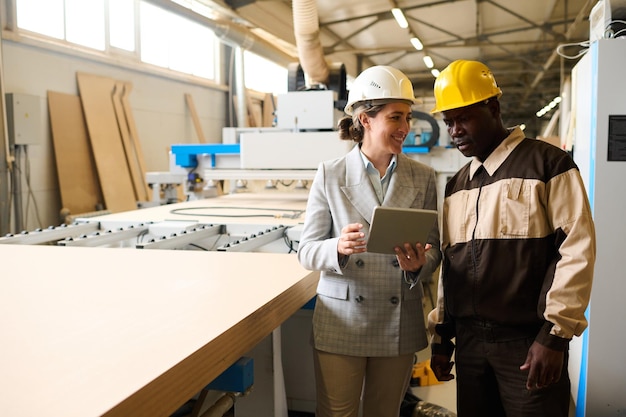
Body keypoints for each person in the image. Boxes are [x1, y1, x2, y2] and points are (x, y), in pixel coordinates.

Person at [427, 59, 596, 417]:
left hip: (527, 345)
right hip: (471, 348)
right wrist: (443, 338)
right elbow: (451, 266)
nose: (455, 130)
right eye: (449, 122)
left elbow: (577, 250)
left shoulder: (548, 165)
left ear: (494, 108)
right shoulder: (456, 184)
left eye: (464, 118)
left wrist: (554, 337)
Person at [297, 65, 442, 417]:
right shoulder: (331, 174)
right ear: (365, 120)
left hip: (398, 320)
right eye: (396, 117)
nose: (406, 128)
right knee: (336, 413)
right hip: (343, 317)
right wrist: (337, 248)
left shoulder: (422, 177)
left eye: (408, 117)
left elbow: (435, 249)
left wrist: (420, 265)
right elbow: (306, 251)